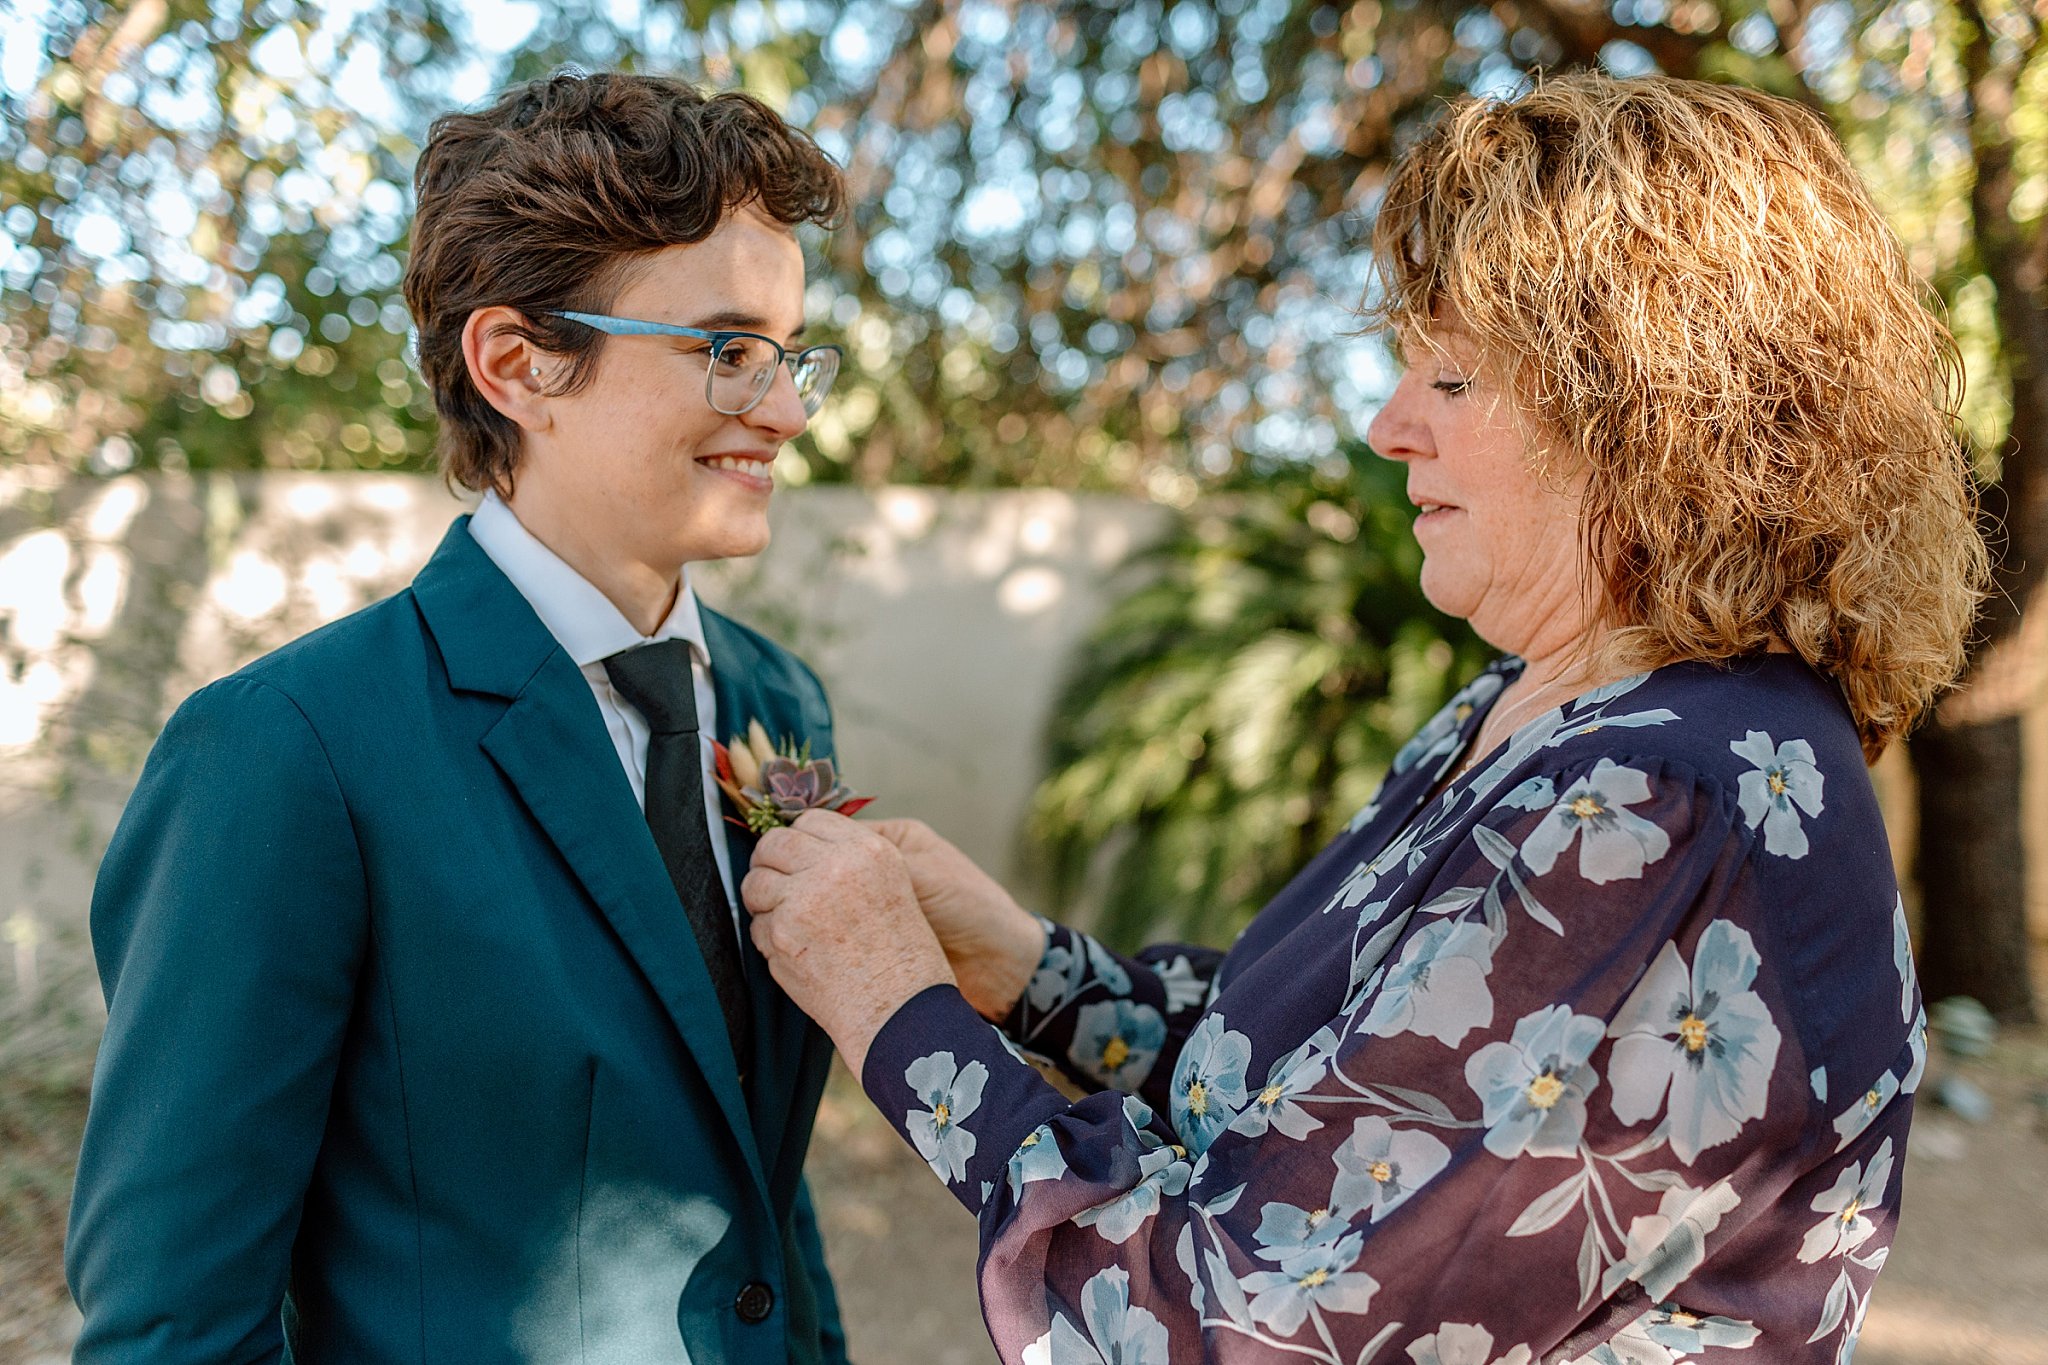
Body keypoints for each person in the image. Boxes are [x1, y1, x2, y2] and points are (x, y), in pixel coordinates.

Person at [737, 73, 1987, 1362]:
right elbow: (1331, 1107)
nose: (1391, 428)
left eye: (1450, 377)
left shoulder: (1662, 806)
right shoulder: (1528, 713)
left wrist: (898, 1015)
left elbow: (1224, 1323)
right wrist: (1028, 972)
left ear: (1651, 416)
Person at [68, 72, 852, 1364]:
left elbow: (758, 1174)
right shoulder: (285, 753)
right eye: (726, 352)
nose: (785, 410)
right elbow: (173, 1331)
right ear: (518, 362)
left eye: (788, 354)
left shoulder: (781, 706)